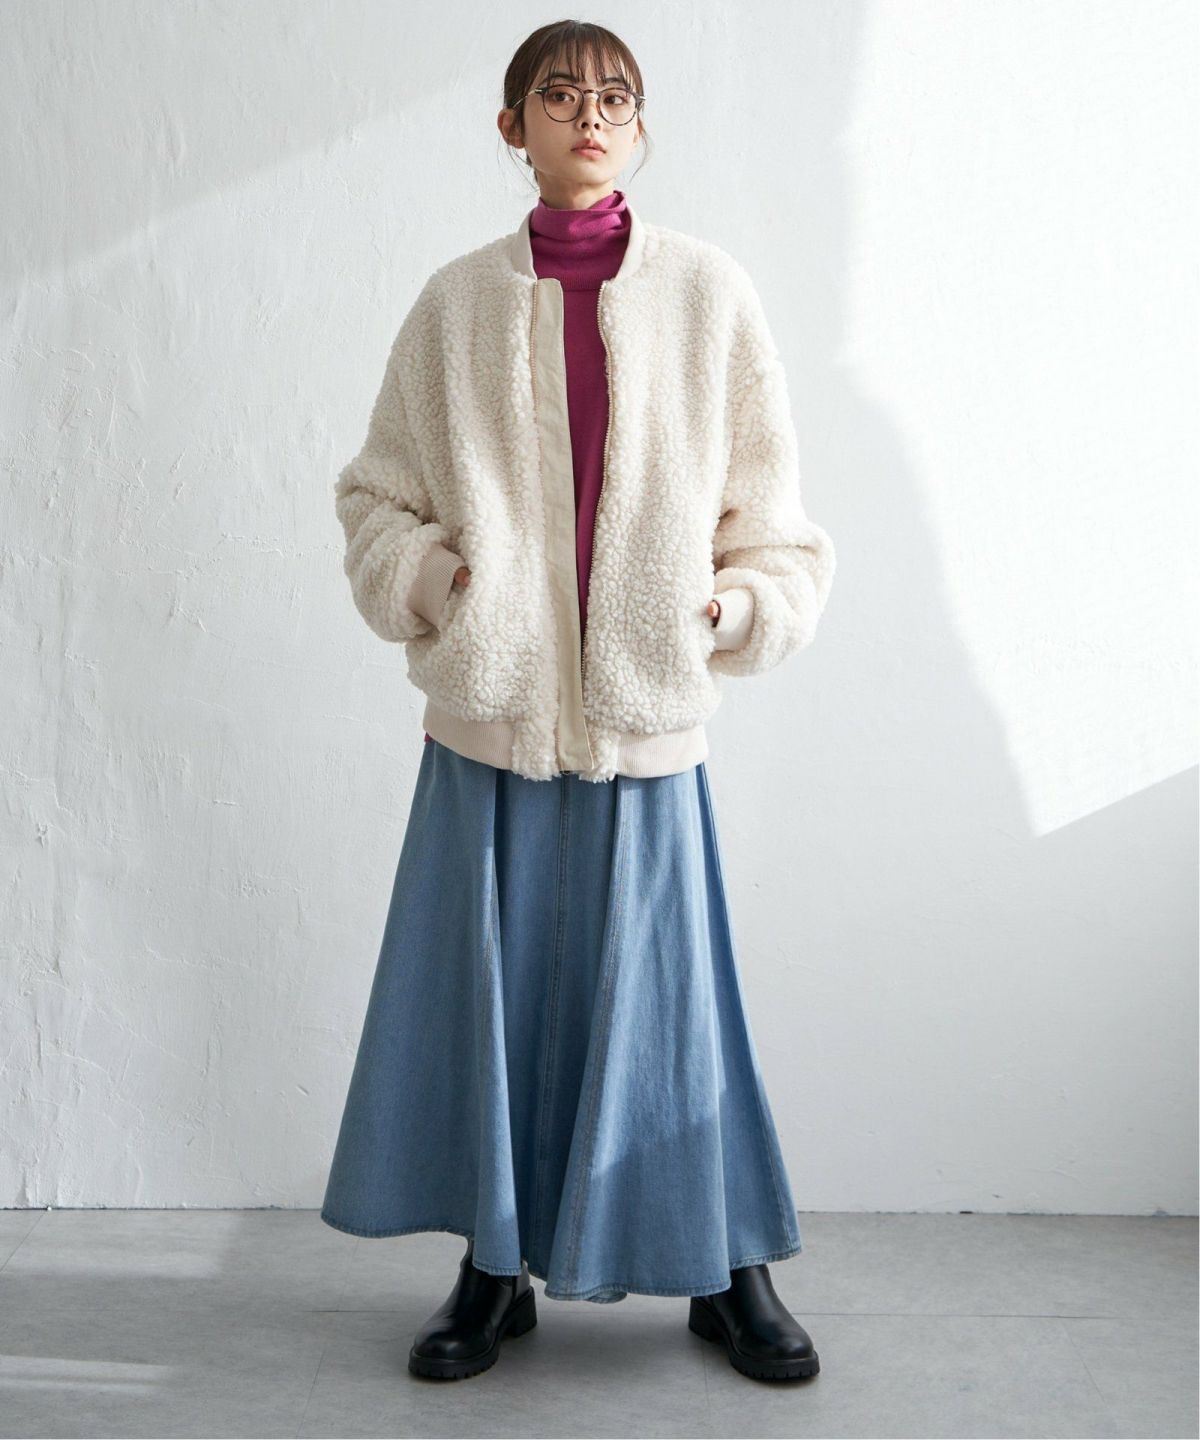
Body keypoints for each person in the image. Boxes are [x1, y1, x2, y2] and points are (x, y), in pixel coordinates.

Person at [319, 19, 835, 1385]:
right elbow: (376, 496)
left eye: (615, 96)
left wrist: (724, 611)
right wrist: (443, 582)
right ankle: (493, 1272)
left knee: (675, 1006)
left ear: (641, 127)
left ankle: (728, 1270)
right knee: (489, 1004)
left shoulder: (709, 295)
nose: (588, 115)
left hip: (641, 715)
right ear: (513, 128)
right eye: (558, 95)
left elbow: (773, 517)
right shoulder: (454, 306)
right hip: (492, 723)